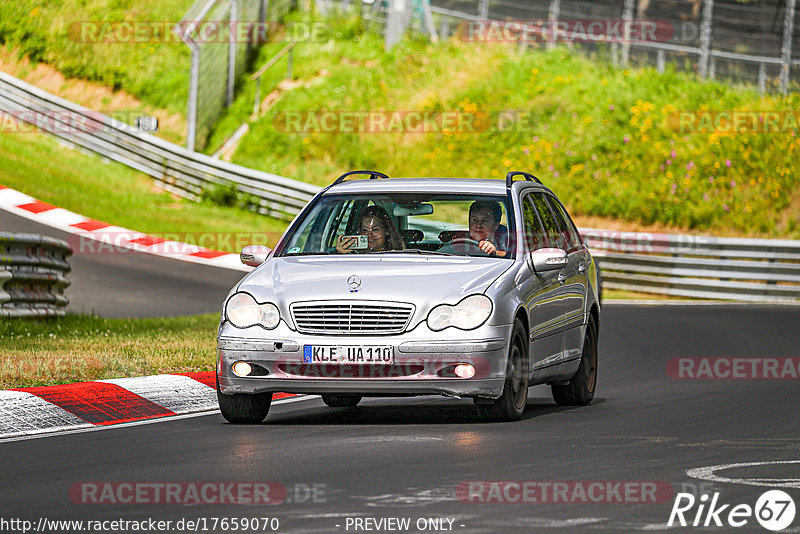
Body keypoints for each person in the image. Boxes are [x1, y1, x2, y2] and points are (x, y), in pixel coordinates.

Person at [336, 205, 405, 253]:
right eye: (365, 230)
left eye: (375, 230)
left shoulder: (399, 254)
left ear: (386, 231)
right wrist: (340, 256)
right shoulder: (354, 255)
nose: (369, 235)